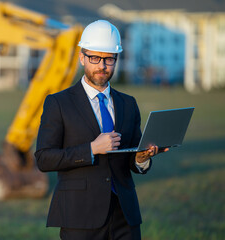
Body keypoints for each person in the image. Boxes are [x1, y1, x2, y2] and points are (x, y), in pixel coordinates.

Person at [34, 20, 168, 240]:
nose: (102, 66)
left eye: (108, 59)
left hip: (125, 217)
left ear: (116, 60)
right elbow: (43, 158)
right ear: (81, 57)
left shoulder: (128, 104)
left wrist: (142, 158)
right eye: (94, 58)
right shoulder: (58, 103)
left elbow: (132, 158)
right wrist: (92, 149)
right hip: (80, 218)